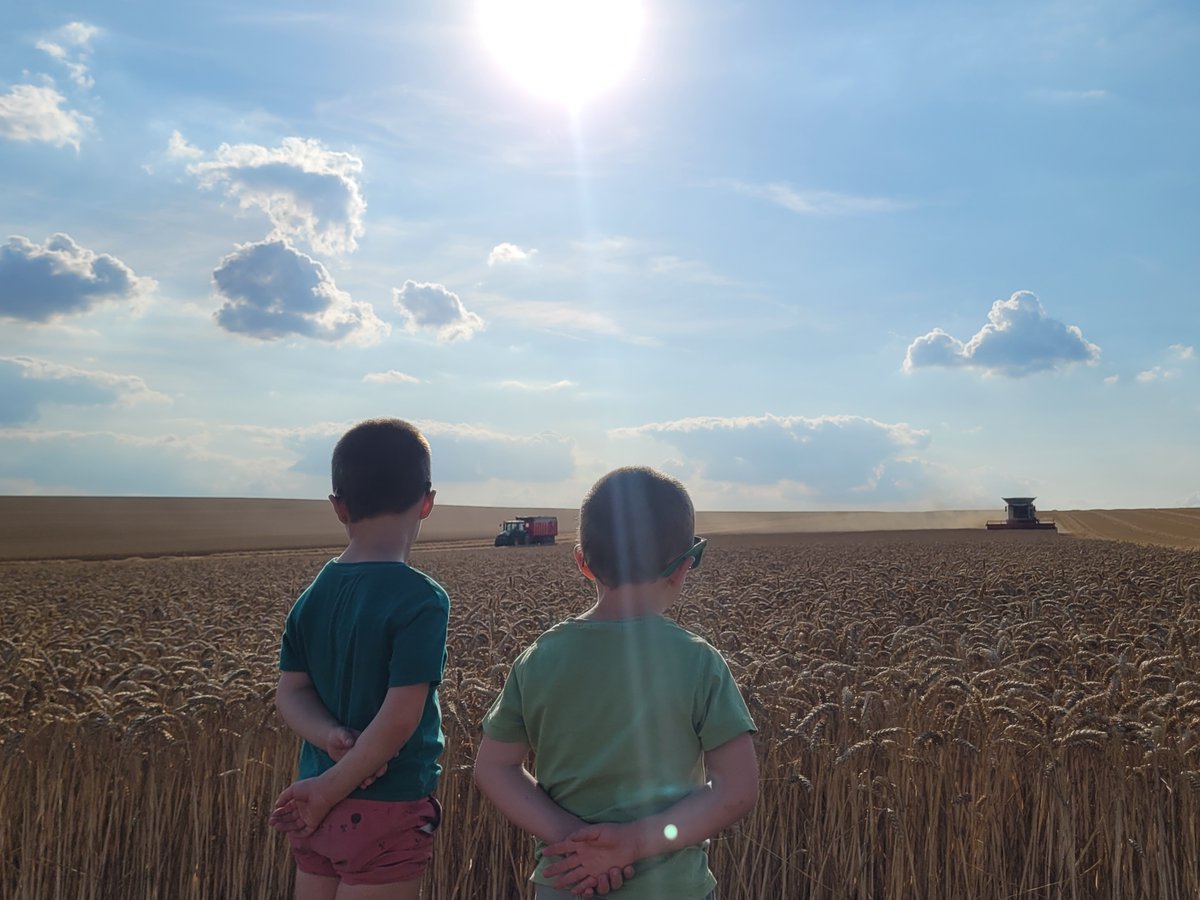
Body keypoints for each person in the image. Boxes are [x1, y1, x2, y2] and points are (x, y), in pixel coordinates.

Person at [474, 466, 758, 899]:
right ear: (683, 567)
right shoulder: (699, 662)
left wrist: (571, 837)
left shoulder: (539, 658)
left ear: (582, 562)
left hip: (567, 882)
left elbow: (494, 768)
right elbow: (737, 789)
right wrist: (634, 844)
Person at [269, 418, 449, 900]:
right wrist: (335, 787)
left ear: (339, 507)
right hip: (384, 805)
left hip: (312, 799)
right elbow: (398, 720)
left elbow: (291, 693)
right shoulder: (422, 600)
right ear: (427, 502)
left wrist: (328, 739)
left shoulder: (312, 597)